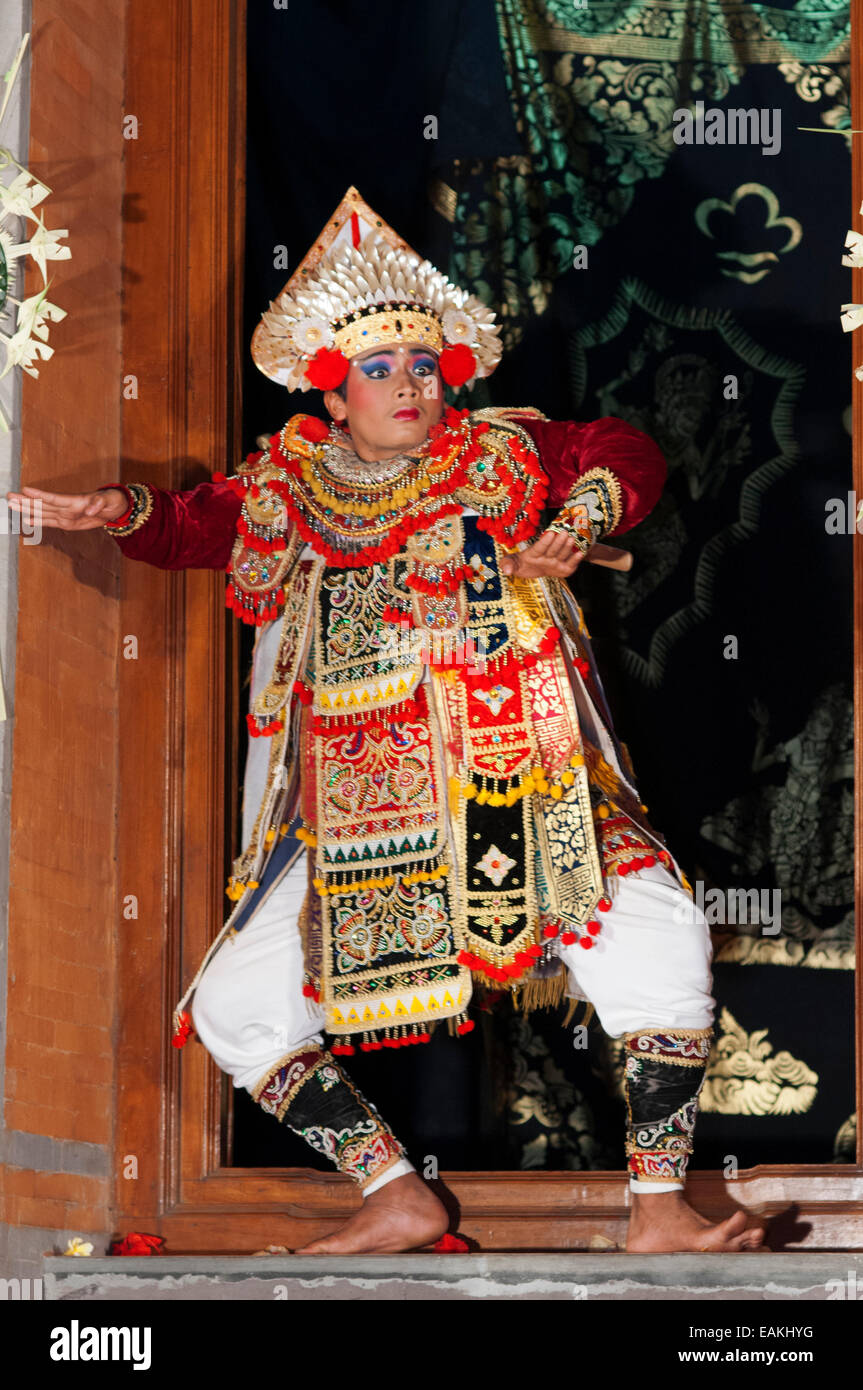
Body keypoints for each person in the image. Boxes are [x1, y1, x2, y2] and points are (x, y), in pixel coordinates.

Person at [8, 187, 764, 1255]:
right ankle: (394, 1190)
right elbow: (197, 523)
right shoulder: (293, 486)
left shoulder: (500, 453)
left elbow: (620, 451)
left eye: (421, 365)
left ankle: (655, 1205)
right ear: (332, 388)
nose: (409, 384)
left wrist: (579, 511)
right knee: (233, 1005)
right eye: (379, 368)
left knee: (663, 937)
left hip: (516, 772)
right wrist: (109, 512)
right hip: (362, 809)